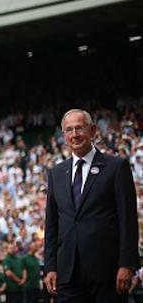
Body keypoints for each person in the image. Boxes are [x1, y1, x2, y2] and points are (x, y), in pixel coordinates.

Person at [44, 109, 138, 302]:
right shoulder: (56, 173)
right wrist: (50, 266)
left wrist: (127, 264)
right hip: (67, 273)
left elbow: (128, 220)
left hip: (107, 271)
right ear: (64, 136)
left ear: (93, 130)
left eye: (79, 128)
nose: (74, 134)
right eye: (69, 130)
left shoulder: (116, 167)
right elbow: (52, 225)